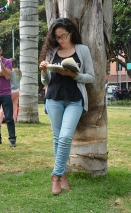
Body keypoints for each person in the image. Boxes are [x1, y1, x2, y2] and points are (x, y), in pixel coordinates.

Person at [39, 18, 95, 195]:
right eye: (56, 37)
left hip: (74, 100)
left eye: (63, 36)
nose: (60, 40)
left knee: (64, 137)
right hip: (53, 98)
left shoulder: (82, 50)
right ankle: (63, 176)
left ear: (71, 33)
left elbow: (91, 77)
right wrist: (43, 71)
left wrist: (73, 75)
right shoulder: (52, 51)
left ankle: (55, 176)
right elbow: (45, 81)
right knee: (57, 138)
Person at [0, 58, 21, 123]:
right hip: (17, 90)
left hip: (10, 91)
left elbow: (7, 77)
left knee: (2, 107)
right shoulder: (19, 71)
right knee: (14, 107)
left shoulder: (11, 71)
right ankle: (14, 120)